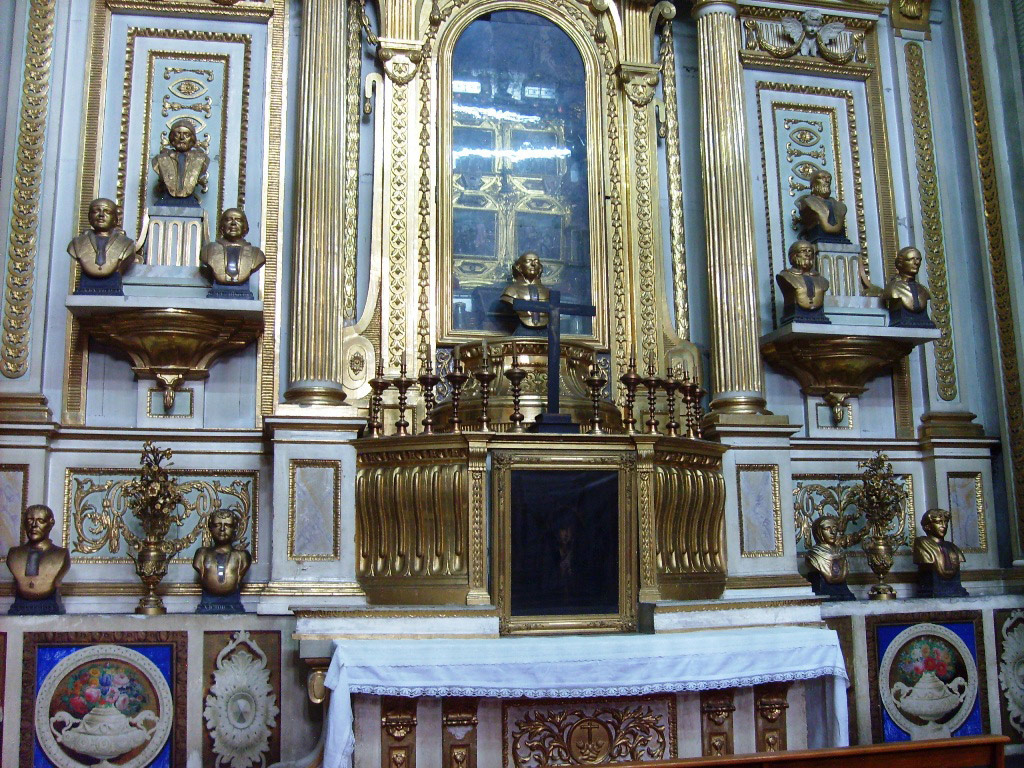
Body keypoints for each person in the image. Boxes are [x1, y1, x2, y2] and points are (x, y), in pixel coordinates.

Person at [6, 504, 70, 614]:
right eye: (30, 520)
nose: (34, 525)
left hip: (49, 607)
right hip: (21, 607)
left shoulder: (61, 555)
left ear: (51, 523)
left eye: (41, 521)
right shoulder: (14, 554)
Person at [193, 509, 251, 612]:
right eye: (217, 525)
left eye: (228, 525)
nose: (222, 529)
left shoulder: (242, 556)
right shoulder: (201, 554)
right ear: (210, 528)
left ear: (234, 528)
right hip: (207, 604)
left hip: (232, 604)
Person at [67, 198, 135, 282]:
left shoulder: (126, 244)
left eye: (107, 212)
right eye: (96, 211)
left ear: (115, 219)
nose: (101, 215)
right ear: (89, 216)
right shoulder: (76, 244)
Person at [199, 208, 266, 292]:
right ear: (222, 226)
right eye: (228, 219)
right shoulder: (208, 251)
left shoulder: (257, 255)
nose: (233, 223)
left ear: (245, 227)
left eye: (238, 220)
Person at [151, 119, 209, 200]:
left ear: (192, 138)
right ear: (172, 137)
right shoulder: (160, 160)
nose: (182, 138)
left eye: (186, 134)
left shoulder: (201, 160)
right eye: (177, 134)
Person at [776, 240, 830, 324]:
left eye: (810, 251)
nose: (807, 254)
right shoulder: (785, 276)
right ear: (794, 255)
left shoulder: (822, 280)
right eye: (803, 251)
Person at [882, 246, 934, 327]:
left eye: (918, 259)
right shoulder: (893, 289)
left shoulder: (923, 290)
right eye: (911, 259)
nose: (916, 263)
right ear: (900, 263)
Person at [500, 251, 550, 329]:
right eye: (528, 261)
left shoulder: (548, 292)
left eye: (536, 261)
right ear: (519, 267)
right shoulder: (511, 291)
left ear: (540, 267)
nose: (533, 264)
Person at [796, 169, 848, 243]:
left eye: (829, 178)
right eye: (822, 178)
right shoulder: (806, 203)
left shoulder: (841, 206)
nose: (827, 181)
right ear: (814, 183)